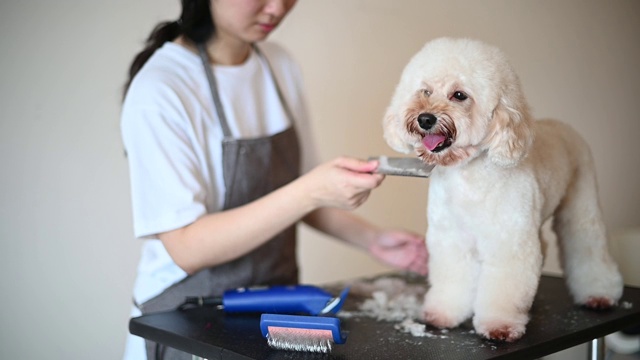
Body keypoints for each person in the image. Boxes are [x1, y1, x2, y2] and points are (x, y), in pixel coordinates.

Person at [120, 0, 428, 358]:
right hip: (186, 318)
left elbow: (300, 188)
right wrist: (311, 191)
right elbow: (186, 246)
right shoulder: (161, 89)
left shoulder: (277, 64)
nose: (278, 8)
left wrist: (372, 239)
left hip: (275, 312)